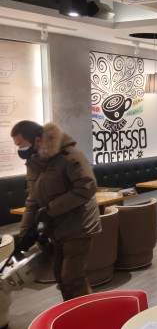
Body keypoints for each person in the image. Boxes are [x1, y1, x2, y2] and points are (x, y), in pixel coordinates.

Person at [11, 121, 101, 301]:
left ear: (37, 140)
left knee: (72, 277)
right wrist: (24, 234)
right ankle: (72, 312)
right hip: (57, 228)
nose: (19, 150)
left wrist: (50, 209)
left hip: (80, 225)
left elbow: (87, 187)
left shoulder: (70, 155)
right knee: (60, 275)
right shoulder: (34, 163)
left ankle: (88, 313)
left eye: (21, 145)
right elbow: (33, 200)